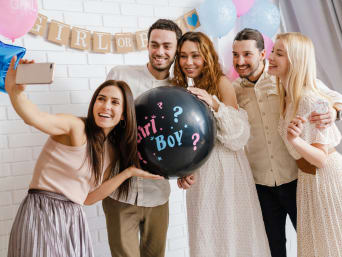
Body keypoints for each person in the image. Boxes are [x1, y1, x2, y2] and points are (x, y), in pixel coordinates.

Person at [5, 56, 163, 257]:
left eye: (115, 102)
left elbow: (87, 198)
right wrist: (15, 91)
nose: (106, 106)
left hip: (73, 219)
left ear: (123, 114)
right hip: (42, 212)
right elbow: (34, 117)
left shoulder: (111, 151)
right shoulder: (75, 127)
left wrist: (128, 173)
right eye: (101, 99)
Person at [231, 28, 342, 257]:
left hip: (298, 178)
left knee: (320, 243)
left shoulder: (286, 81)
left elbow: (332, 99)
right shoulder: (235, 91)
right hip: (261, 183)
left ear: (262, 54)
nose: (240, 61)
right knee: (275, 247)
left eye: (247, 54)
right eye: (235, 54)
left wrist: (333, 111)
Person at [174, 31, 271, 257]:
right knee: (206, 235)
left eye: (195, 55)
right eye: (183, 56)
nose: (188, 62)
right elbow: (183, 142)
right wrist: (183, 170)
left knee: (233, 234)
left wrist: (214, 104)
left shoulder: (221, 83)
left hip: (227, 170)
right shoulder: (183, 90)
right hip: (200, 175)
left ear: (206, 56)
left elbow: (239, 136)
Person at [102, 19, 182, 257]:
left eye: (167, 46)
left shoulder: (181, 89)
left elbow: (184, 140)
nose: (160, 51)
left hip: (158, 195)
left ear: (177, 49)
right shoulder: (120, 75)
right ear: (147, 45)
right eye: (154, 44)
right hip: (120, 192)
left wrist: (188, 169)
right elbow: (103, 124)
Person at [268, 32, 342, 257]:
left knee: (331, 247)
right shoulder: (288, 93)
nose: (271, 57)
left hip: (325, 178)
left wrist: (295, 141)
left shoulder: (309, 98)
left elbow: (320, 159)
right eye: (273, 51)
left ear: (296, 61)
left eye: (279, 54)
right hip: (308, 181)